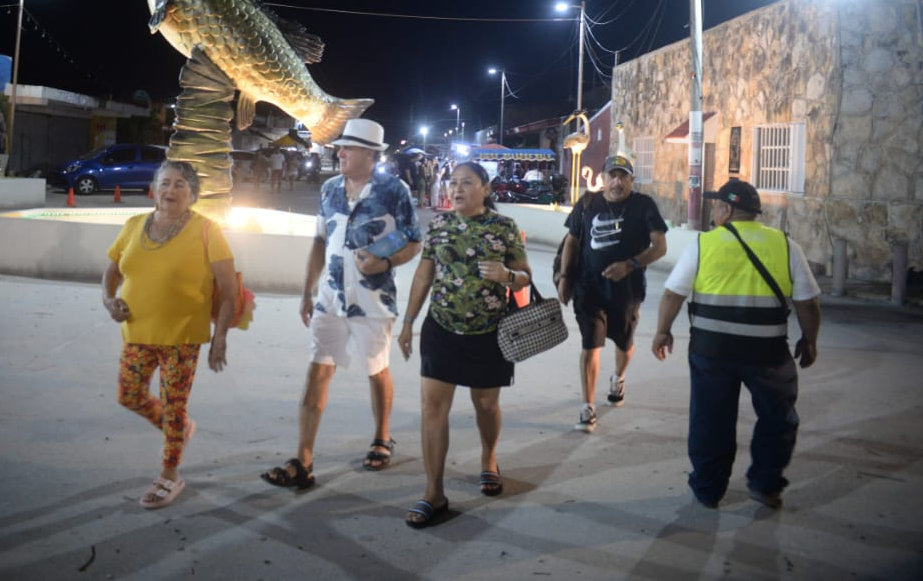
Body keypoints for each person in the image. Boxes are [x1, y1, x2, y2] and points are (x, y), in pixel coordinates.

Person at [262, 118, 422, 489]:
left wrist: (385, 262)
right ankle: (303, 459)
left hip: (373, 299)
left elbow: (414, 241)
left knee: (376, 369)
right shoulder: (330, 188)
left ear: (370, 154)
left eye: (348, 148)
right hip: (330, 298)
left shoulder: (394, 190)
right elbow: (320, 242)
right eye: (340, 147)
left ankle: (382, 437)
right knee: (317, 369)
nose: (341, 152)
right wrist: (307, 290)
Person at [651, 178, 822, 510]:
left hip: (711, 352)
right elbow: (808, 302)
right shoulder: (786, 245)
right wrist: (809, 340)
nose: (714, 211)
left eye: (717, 205)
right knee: (777, 417)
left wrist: (662, 331)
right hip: (768, 353)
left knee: (710, 419)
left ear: (727, 209)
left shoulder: (705, 244)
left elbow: (673, 293)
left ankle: (708, 489)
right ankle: (765, 483)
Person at [397, 161, 533, 528]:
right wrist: (408, 321)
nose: (456, 189)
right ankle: (433, 493)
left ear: (485, 189)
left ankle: (489, 459)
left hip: (489, 332)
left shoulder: (504, 228)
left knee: (486, 405)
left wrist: (507, 275)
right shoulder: (439, 225)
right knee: (432, 408)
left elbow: (525, 278)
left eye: (467, 183)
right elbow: (424, 274)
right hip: (440, 328)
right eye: (453, 183)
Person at [102, 160, 239, 509]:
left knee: (175, 404)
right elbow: (113, 270)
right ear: (154, 189)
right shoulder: (134, 225)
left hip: (182, 336)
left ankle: (169, 475)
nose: (171, 190)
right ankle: (176, 427)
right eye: (165, 183)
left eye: (180, 184)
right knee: (129, 395)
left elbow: (227, 289)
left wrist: (220, 337)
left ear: (193, 194)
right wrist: (108, 299)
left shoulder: (207, 230)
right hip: (137, 331)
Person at [556, 154, 667, 432]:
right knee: (590, 345)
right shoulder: (588, 203)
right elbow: (572, 240)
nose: (617, 182)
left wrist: (631, 265)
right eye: (612, 176)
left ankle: (618, 377)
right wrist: (565, 278)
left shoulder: (644, 206)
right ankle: (588, 407)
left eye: (624, 176)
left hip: (627, 292)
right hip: (588, 287)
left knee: (624, 342)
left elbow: (660, 247)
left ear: (631, 180)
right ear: (603, 178)